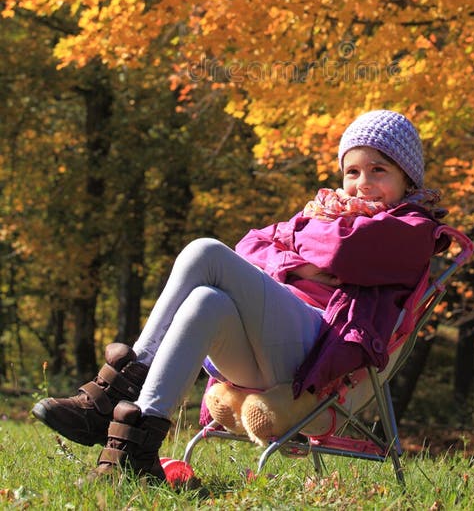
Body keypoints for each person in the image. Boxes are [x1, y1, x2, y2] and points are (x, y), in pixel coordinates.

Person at [32, 109, 449, 481]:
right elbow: (251, 245)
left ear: (407, 178)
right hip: (274, 351)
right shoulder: (323, 213)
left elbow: (342, 251)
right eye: (352, 171)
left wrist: (291, 243)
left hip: (321, 352)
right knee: (205, 302)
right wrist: (298, 265)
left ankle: (111, 394)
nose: (361, 185)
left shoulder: (413, 228)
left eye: (379, 170)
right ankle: (135, 451)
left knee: (205, 252)